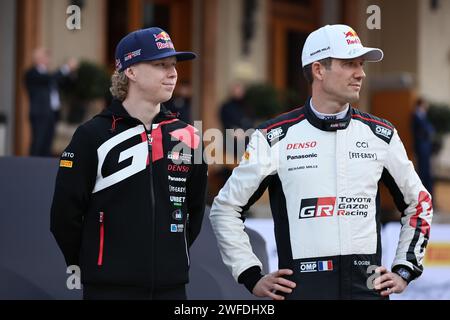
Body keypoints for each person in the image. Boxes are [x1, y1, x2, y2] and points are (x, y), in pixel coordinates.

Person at [210, 24, 433, 300]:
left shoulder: (380, 135)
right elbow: (225, 209)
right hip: (303, 290)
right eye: (350, 63)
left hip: (366, 290)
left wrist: (404, 269)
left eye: (361, 64)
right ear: (318, 70)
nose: (361, 73)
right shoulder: (274, 138)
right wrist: (250, 274)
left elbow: (420, 202)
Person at [50, 27, 208, 300]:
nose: (173, 73)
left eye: (173, 65)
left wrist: (168, 261)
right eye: (161, 64)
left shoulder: (188, 137)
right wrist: (98, 266)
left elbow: (194, 212)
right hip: (109, 289)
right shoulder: (92, 135)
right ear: (131, 71)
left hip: (172, 288)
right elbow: (65, 217)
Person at [25, 48, 78, 156]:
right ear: (38, 59)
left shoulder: (49, 75)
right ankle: (32, 167)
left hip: (52, 113)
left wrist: (71, 73)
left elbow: (66, 85)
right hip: (40, 113)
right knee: (38, 143)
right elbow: (50, 78)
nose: (48, 59)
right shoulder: (32, 73)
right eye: (45, 56)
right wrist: (66, 68)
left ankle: (43, 169)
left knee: (48, 144)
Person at [412, 98, 435, 197]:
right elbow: (424, 129)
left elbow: (430, 129)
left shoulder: (424, 116)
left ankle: (429, 196)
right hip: (421, 146)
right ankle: (422, 196)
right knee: (422, 171)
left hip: (426, 146)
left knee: (427, 173)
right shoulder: (416, 115)